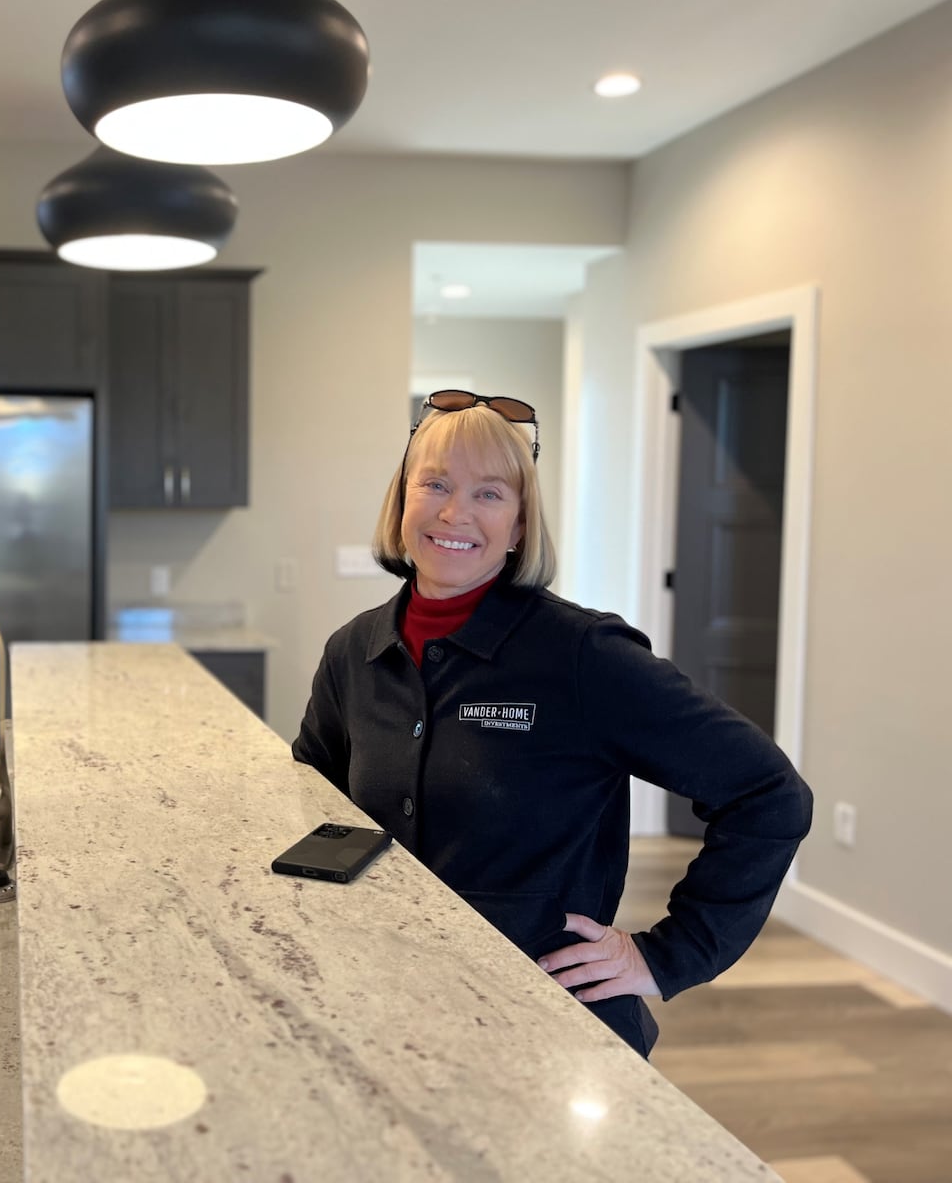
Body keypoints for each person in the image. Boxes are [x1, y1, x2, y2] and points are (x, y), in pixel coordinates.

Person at [291, 390, 813, 1058]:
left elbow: (768, 794)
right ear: (401, 501)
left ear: (519, 525)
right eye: (436, 483)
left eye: (489, 494)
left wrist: (667, 956)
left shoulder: (581, 657)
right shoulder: (353, 653)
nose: (455, 512)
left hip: (544, 1027)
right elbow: (314, 806)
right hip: (382, 1004)